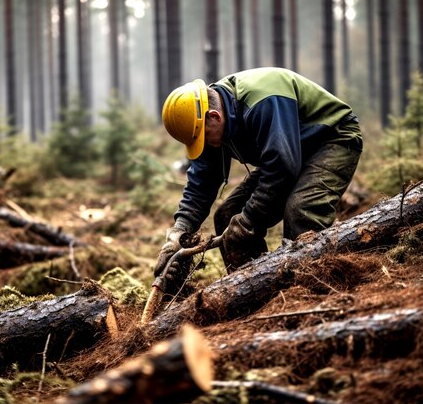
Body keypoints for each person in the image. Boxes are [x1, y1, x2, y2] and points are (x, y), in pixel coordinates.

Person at [154, 67, 363, 291]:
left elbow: (281, 169)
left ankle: (308, 290)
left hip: (332, 138)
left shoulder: (263, 99)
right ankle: (254, 292)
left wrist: (249, 220)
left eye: (203, 139)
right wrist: (179, 230)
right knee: (228, 216)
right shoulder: (207, 119)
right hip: (288, 153)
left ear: (215, 117)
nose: (204, 145)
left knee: (301, 211)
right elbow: (202, 181)